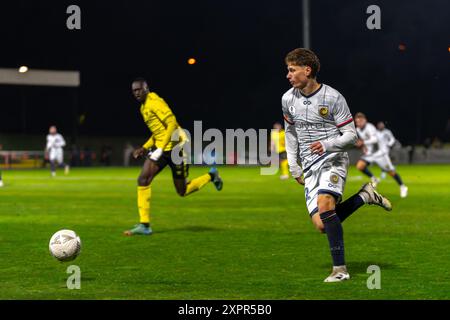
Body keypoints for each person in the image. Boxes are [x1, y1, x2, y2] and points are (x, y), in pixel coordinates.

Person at [282, 48, 392, 282]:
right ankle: (364, 197)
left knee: (325, 205)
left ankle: (340, 270)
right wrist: (293, 165)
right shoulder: (287, 99)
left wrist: (327, 144)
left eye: (292, 70)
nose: (288, 75)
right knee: (322, 224)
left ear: (307, 70)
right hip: (310, 166)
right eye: (288, 70)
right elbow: (290, 134)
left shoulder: (332, 97)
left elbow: (351, 136)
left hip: (333, 159)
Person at [124, 78, 223, 236]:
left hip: (177, 148)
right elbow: (159, 132)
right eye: (134, 91)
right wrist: (145, 147)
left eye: (139, 90)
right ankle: (145, 225)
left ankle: (212, 175)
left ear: (146, 89)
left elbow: (171, 123)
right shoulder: (143, 107)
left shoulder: (155, 102)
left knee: (182, 191)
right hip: (163, 149)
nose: (136, 93)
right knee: (143, 179)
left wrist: (159, 148)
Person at [355, 113, 408, 198]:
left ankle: (403, 187)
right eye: (357, 122)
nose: (359, 123)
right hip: (370, 154)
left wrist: (363, 142)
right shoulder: (358, 129)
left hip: (380, 153)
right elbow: (365, 141)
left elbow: (375, 139)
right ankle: (374, 178)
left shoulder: (370, 127)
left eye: (360, 121)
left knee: (391, 172)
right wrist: (364, 147)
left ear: (365, 120)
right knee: (360, 166)